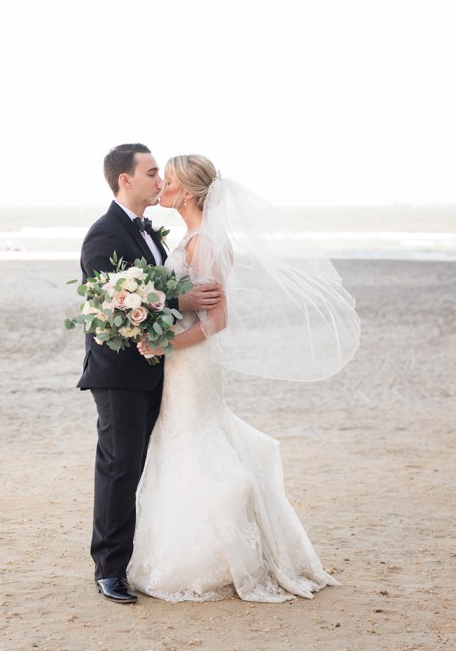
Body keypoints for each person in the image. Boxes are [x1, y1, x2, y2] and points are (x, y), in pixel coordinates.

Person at [129, 154, 360, 602]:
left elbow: (218, 320)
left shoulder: (204, 243)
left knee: (195, 442)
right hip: (182, 360)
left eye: (169, 180)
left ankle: (218, 557)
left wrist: (164, 344)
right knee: (180, 443)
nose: (162, 187)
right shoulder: (191, 238)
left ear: (190, 193)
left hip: (191, 361)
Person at [77, 144, 224, 604]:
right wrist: (184, 303)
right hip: (119, 371)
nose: (159, 179)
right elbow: (116, 305)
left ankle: (135, 557)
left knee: (141, 467)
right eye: (151, 171)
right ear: (126, 180)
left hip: (156, 368)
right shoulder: (104, 235)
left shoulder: (152, 235)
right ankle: (108, 569)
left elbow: (155, 291)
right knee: (119, 467)